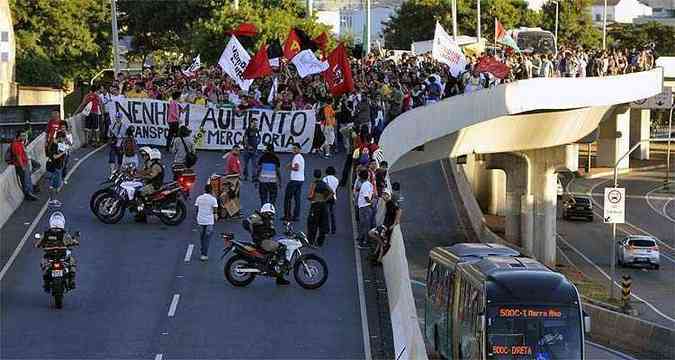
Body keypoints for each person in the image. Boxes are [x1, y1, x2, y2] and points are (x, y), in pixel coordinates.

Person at [244, 203, 290, 285]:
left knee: (280, 246)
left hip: (266, 240)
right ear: (264, 211)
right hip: (262, 241)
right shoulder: (257, 216)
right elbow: (246, 222)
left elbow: (273, 232)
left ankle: (278, 274)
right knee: (281, 248)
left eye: (271, 214)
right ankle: (279, 274)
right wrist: (252, 231)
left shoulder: (268, 220)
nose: (270, 216)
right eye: (269, 213)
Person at [34, 212, 80, 291]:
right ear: (62, 223)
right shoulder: (64, 234)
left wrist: (39, 245)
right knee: (72, 261)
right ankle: (72, 280)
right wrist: (75, 242)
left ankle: (46, 283)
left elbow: (37, 244)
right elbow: (72, 242)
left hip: (50, 256)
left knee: (44, 264)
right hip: (62, 255)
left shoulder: (46, 233)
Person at [368, 189, 402, 265]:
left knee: (373, 234)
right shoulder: (387, 203)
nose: (384, 196)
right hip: (385, 226)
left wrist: (394, 224)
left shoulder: (391, 203)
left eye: (385, 194)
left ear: (389, 195)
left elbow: (399, 211)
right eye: (383, 194)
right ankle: (376, 257)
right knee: (380, 242)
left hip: (387, 228)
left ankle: (378, 259)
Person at [307, 169, 333, 247]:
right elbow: (331, 192)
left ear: (314, 175)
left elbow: (310, 196)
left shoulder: (313, 184)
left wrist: (310, 198)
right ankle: (320, 242)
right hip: (323, 205)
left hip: (315, 205)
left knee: (312, 224)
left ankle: (311, 241)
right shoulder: (324, 184)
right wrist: (325, 199)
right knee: (322, 224)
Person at [9, 131, 37, 200]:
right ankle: (28, 195)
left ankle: (30, 192)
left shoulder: (20, 143)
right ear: (19, 136)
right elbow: (18, 157)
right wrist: (22, 167)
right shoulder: (16, 144)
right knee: (25, 181)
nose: (24, 137)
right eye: (23, 136)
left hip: (25, 163)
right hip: (21, 165)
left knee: (27, 179)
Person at [194, 183, 219, 261]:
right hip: (209, 221)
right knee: (207, 238)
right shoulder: (213, 199)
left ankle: (202, 250)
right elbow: (215, 210)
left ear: (204, 190)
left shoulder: (199, 198)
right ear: (211, 190)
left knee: (202, 237)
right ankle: (204, 254)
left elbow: (197, 208)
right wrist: (215, 216)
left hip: (200, 220)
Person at [284, 143, 305, 222]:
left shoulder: (296, 157)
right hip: (300, 180)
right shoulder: (301, 157)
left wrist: (289, 167)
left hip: (294, 180)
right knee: (297, 199)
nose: (294, 150)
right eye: (293, 148)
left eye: (295, 148)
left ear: (299, 149)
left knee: (288, 198)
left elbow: (296, 168)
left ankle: (287, 215)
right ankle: (296, 216)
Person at [46, 131, 67, 207]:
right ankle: (53, 200)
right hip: (55, 167)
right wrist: (63, 152)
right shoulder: (55, 145)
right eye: (63, 138)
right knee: (55, 185)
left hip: (52, 166)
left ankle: (52, 200)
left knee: (52, 185)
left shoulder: (53, 144)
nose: (64, 140)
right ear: (60, 137)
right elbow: (55, 156)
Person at [356, 169, 374, 248]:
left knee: (363, 224)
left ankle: (362, 239)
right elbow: (367, 196)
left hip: (363, 206)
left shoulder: (364, 185)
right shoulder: (367, 185)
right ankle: (364, 241)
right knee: (366, 225)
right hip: (365, 207)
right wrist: (371, 203)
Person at [322, 166, 339, 234]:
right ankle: (333, 229)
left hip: (326, 197)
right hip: (333, 198)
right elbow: (335, 189)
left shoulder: (324, 179)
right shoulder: (336, 180)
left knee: (326, 214)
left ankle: (327, 229)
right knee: (332, 214)